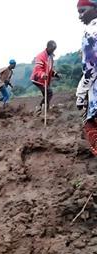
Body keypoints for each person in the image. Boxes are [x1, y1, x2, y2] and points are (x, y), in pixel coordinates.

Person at [78, 0, 97, 155]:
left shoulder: (90, 31)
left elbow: (91, 68)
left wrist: (81, 92)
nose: (80, 16)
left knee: (91, 126)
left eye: (82, 11)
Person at [32, 41, 59, 114]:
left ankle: (45, 110)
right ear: (48, 47)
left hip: (45, 79)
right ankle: (39, 109)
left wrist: (55, 74)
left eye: (54, 49)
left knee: (46, 95)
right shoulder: (41, 56)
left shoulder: (50, 57)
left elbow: (49, 69)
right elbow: (38, 69)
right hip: (38, 79)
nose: (53, 51)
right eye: (52, 49)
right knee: (49, 92)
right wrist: (42, 75)